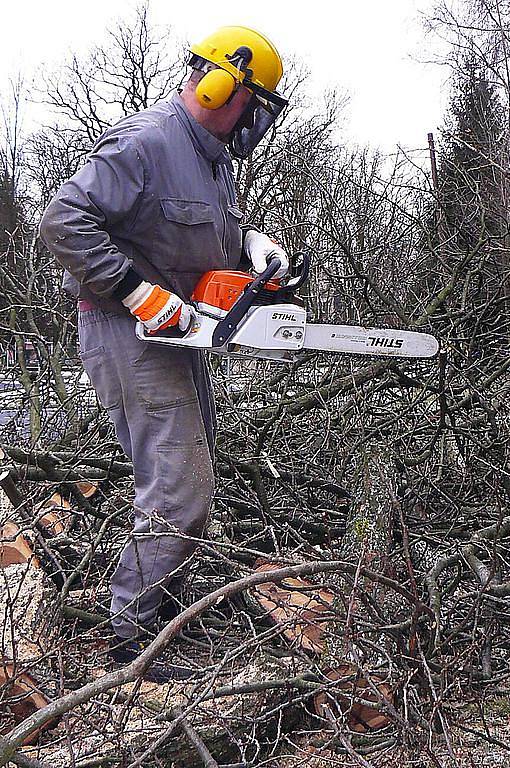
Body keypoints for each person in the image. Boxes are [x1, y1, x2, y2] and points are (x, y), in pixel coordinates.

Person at [39, 25, 290, 681]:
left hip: (178, 333)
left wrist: (251, 255)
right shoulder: (146, 141)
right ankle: (132, 643)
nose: (254, 122)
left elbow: (192, 236)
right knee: (178, 490)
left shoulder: (211, 159)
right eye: (254, 104)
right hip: (128, 330)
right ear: (222, 87)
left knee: (189, 483)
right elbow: (64, 221)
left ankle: (163, 611)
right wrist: (136, 292)